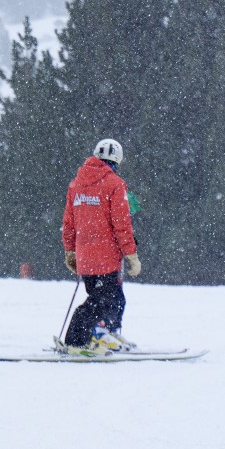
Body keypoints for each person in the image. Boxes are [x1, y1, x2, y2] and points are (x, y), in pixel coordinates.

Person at [58, 138, 142, 353]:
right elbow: (122, 225)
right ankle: (81, 339)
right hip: (107, 256)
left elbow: (68, 223)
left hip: (85, 256)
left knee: (110, 299)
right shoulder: (115, 184)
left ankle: (107, 333)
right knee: (104, 301)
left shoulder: (75, 184)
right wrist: (131, 255)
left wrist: (70, 251)